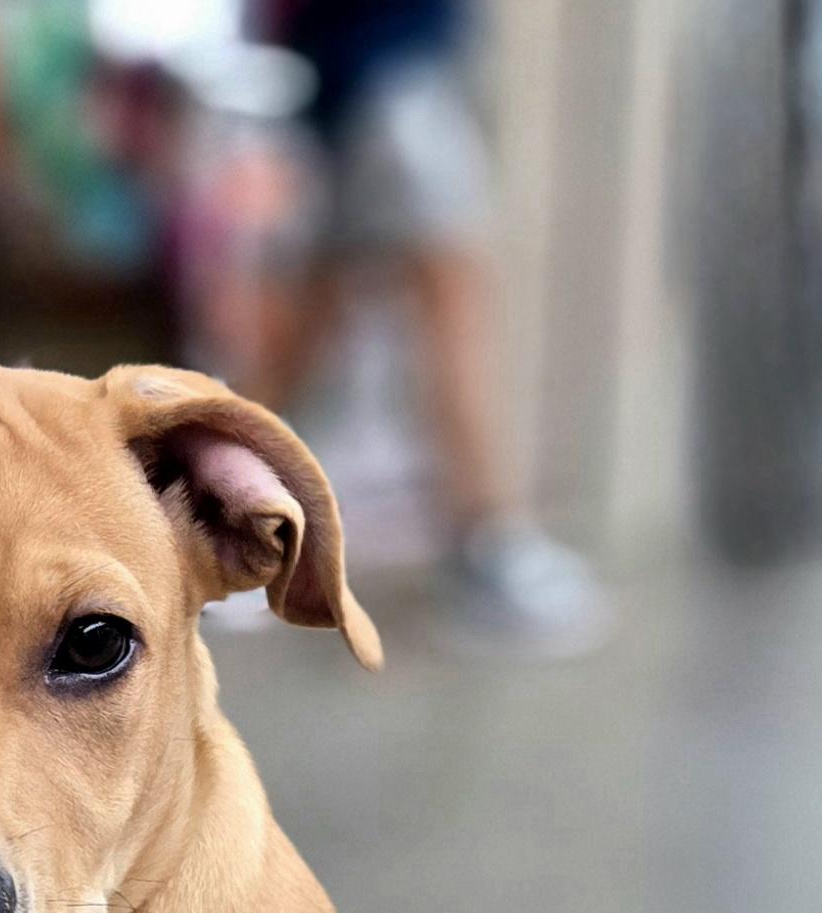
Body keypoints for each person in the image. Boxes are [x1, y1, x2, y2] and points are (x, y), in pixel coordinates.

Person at [251, 0, 609, 652]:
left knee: (321, 314)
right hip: (390, 67)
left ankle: (212, 514)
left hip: (366, 72)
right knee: (451, 290)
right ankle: (486, 542)